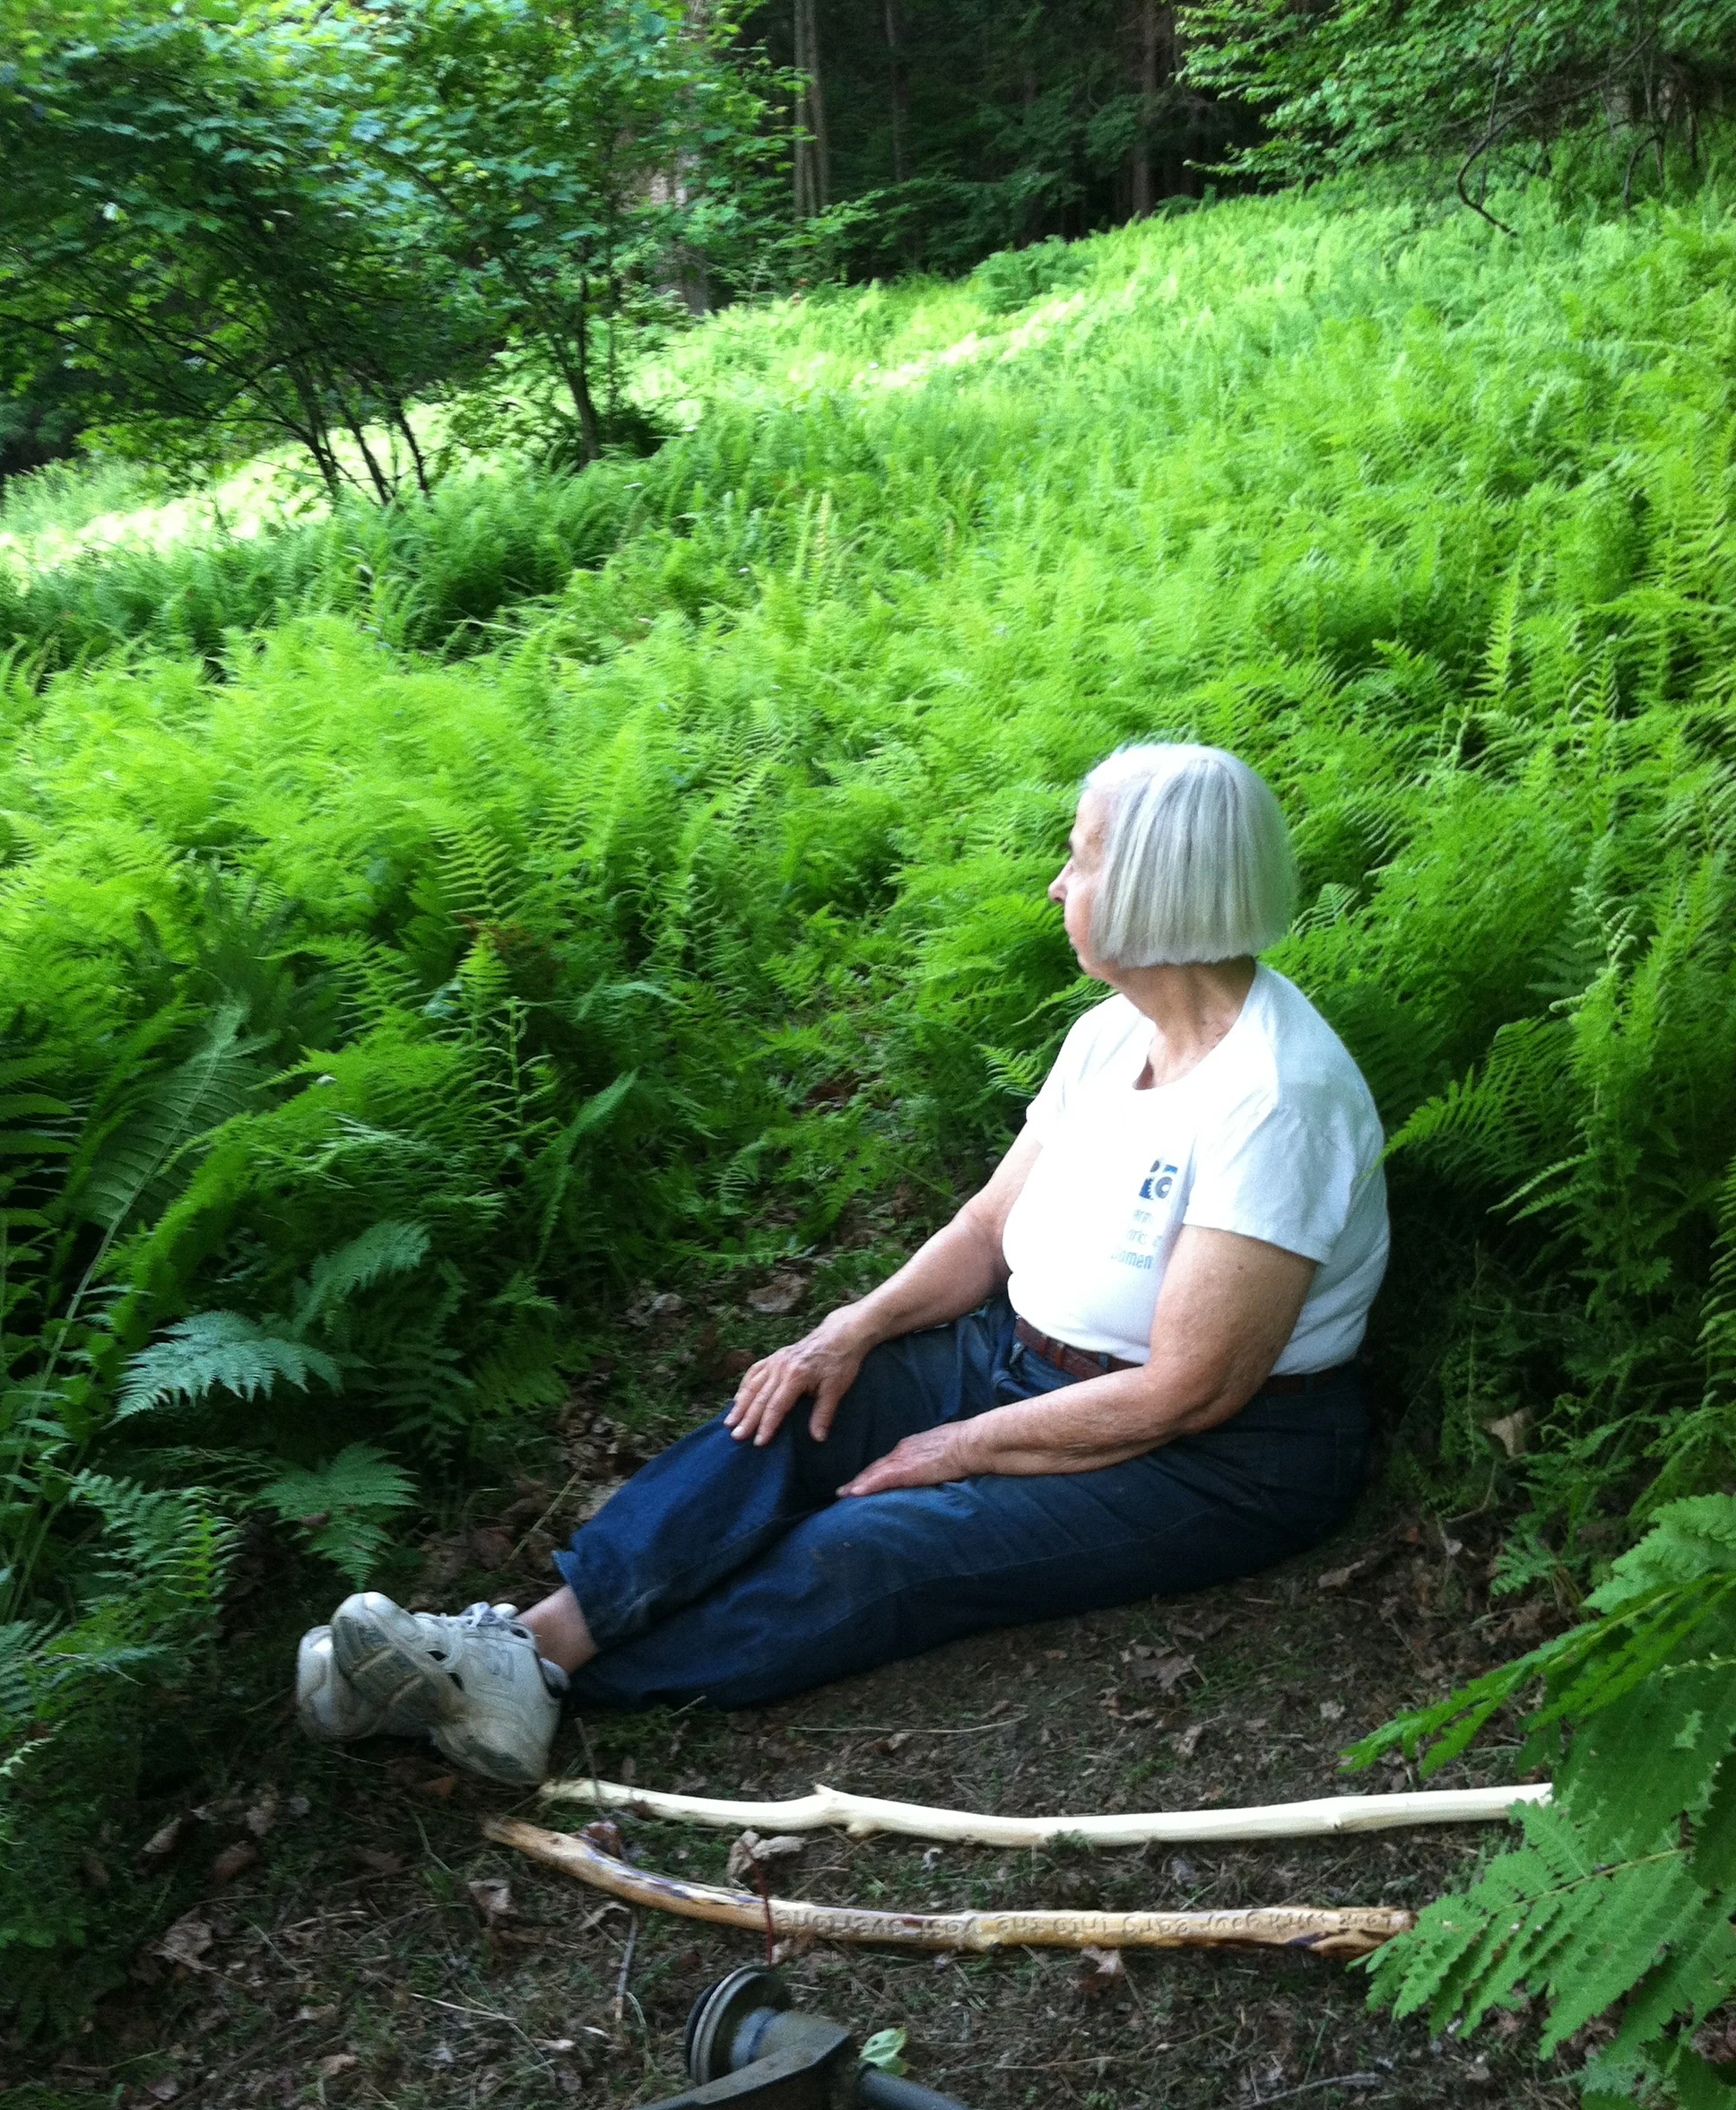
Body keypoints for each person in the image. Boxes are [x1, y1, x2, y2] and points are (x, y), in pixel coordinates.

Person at [297, 742, 1388, 1784]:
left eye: (1082, 857)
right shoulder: (1109, 1037)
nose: (1057, 886)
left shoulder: (1277, 1100)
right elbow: (981, 1231)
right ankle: (518, 1651)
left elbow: (1189, 1390)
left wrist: (963, 1446)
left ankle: (531, 1691)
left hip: (1220, 1456)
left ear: (1160, 884)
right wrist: (847, 1330)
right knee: (793, 1405)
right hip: (1019, 1357)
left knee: (880, 1544)